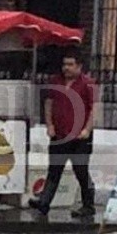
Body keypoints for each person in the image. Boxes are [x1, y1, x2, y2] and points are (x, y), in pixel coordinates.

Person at [29, 50, 97, 218]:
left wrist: (87, 129)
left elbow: (94, 108)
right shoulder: (56, 81)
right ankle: (44, 202)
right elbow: (49, 103)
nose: (66, 68)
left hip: (80, 136)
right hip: (59, 134)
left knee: (80, 170)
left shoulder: (88, 84)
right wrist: (50, 124)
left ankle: (88, 204)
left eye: (70, 65)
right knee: (54, 170)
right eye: (64, 64)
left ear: (79, 66)